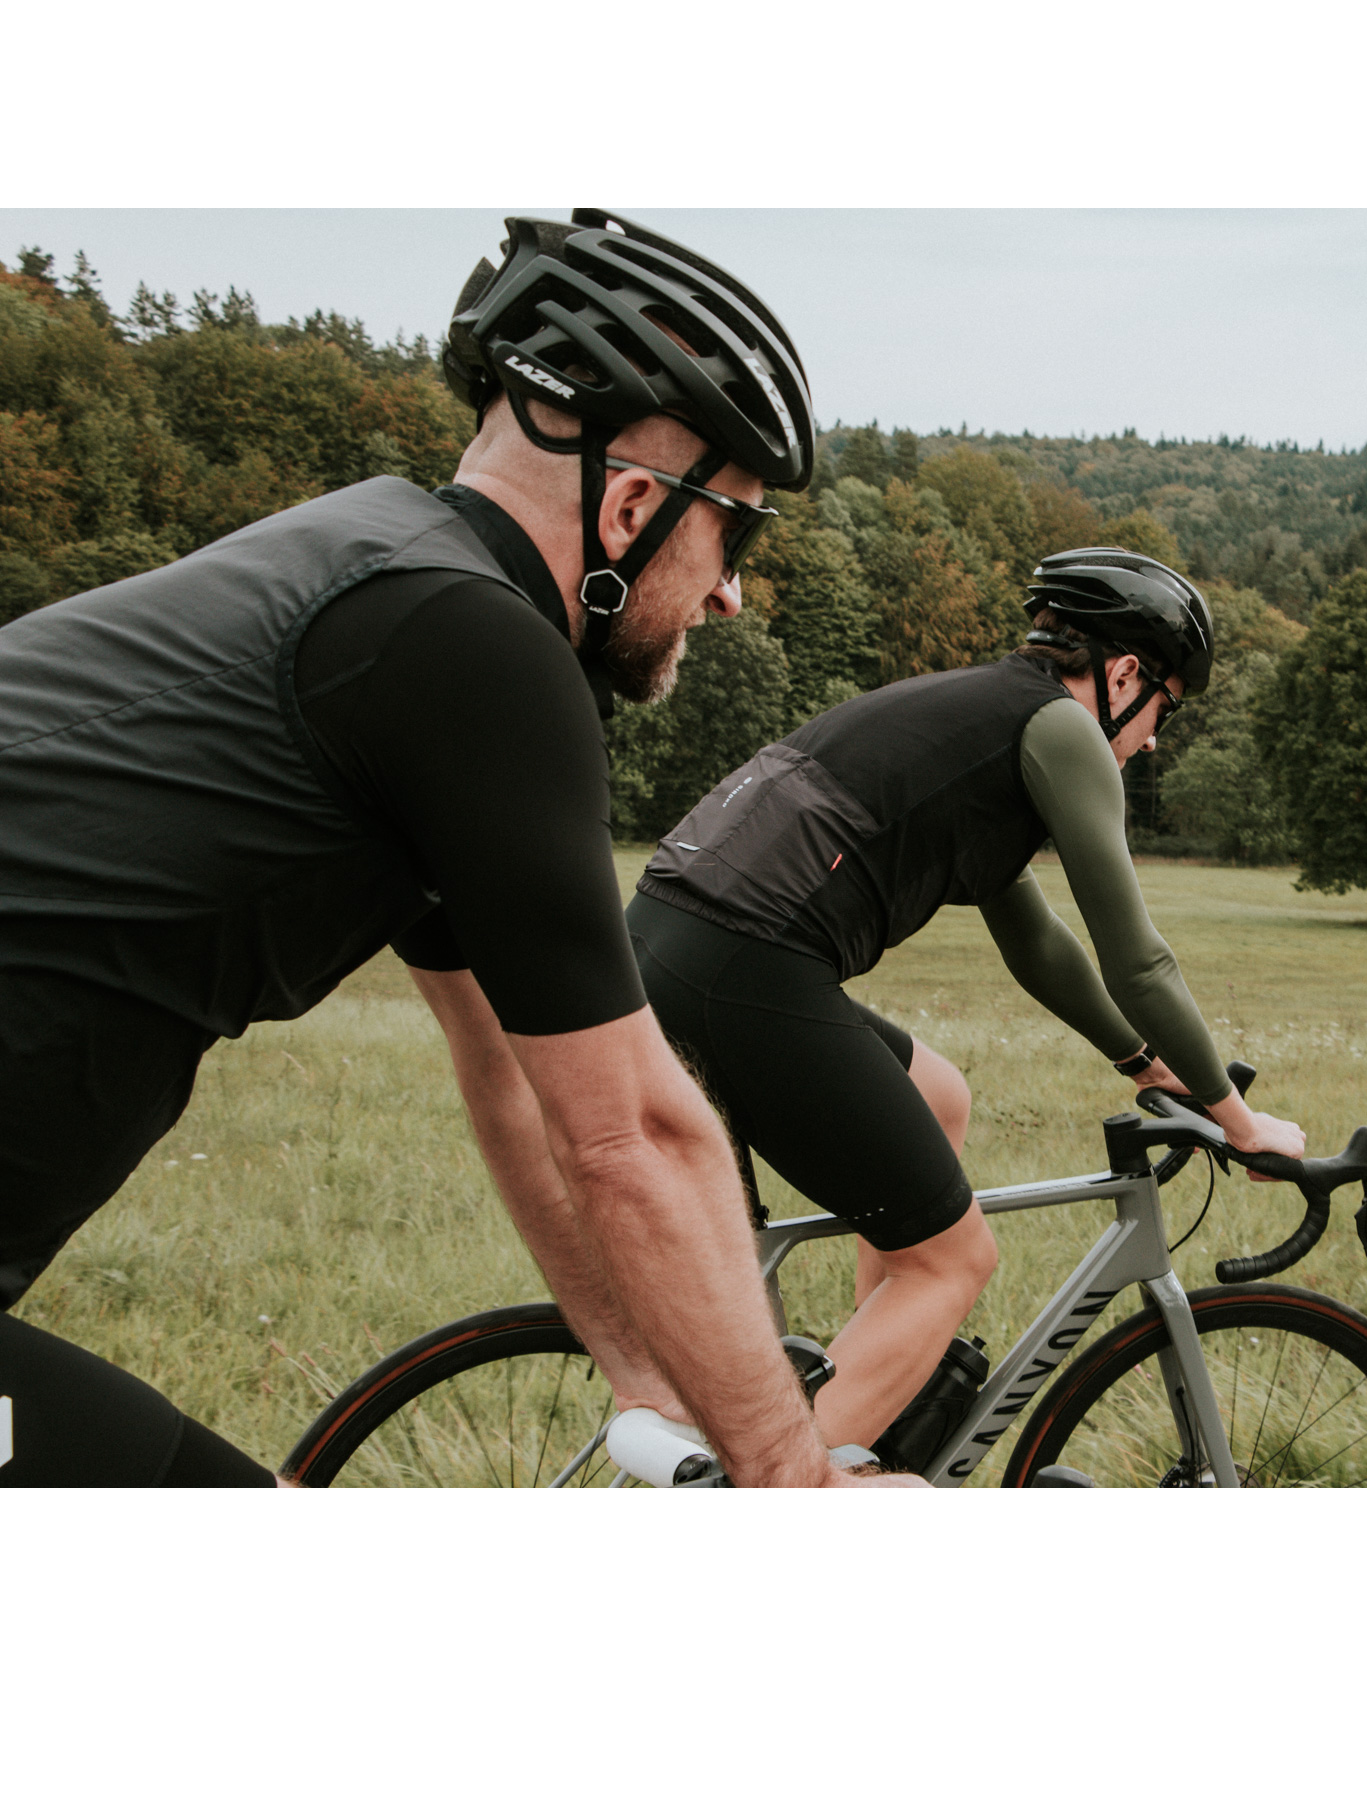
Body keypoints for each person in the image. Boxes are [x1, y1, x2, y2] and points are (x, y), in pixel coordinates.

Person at [0, 210, 905, 1488]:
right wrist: (793, 1480)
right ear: (634, 505)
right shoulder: (471, 651)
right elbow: (637, 1132)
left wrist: (656, 1381)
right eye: (736, 531)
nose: (730, 592)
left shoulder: (386, 587)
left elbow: (528, 1089)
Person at [626, 546, 1308, 1469]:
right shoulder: (1062, 733)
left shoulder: (983, 713)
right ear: (1123, 674)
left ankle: (858, 1405)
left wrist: (1145, 1066)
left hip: (668, 939)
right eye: (1166, 710)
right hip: (743, 966)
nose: (1152, 740)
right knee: (951, 1260)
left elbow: (1036, 943)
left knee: (938, 1096)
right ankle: (781, 1482)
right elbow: (1137, 960)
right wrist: (1237, 1120)